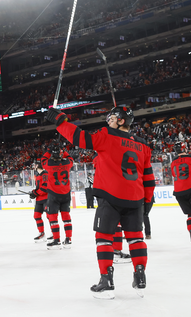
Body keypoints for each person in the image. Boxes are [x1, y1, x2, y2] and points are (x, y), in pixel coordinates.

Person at [46, 106, 155, 299]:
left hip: (110, 197)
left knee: (104, 238)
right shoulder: (144, 145)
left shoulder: (106, 135)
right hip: (135, 198)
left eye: (112, 117)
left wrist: (60, 121)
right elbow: (148, 178)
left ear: (121, 121)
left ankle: (107, 279)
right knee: (136, 238)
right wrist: (146, 202)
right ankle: (140, 276)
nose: (108, 121)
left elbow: (80, 138)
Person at [40, 142, 74, 249]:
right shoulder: (68, 163)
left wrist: (49, 150)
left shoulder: (49, 164)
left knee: (53, 217)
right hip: (66, 193)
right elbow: (69, 158)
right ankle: (68, 238)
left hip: (54, 194)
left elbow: (43, 160)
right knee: (66, 217)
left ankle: (56, 239)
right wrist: (63, 150)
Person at [28, 158, 50, 242]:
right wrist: (33, 192)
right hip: (39, 199)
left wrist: (36, 193)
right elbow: (39, 188)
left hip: (47, 198)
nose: (34, 166)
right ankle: (41, 233)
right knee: (36, 216)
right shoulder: (37, 175)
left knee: (49, 216)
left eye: (35, 164)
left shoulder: (45, 174)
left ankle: (53, 233)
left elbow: (45, 188)